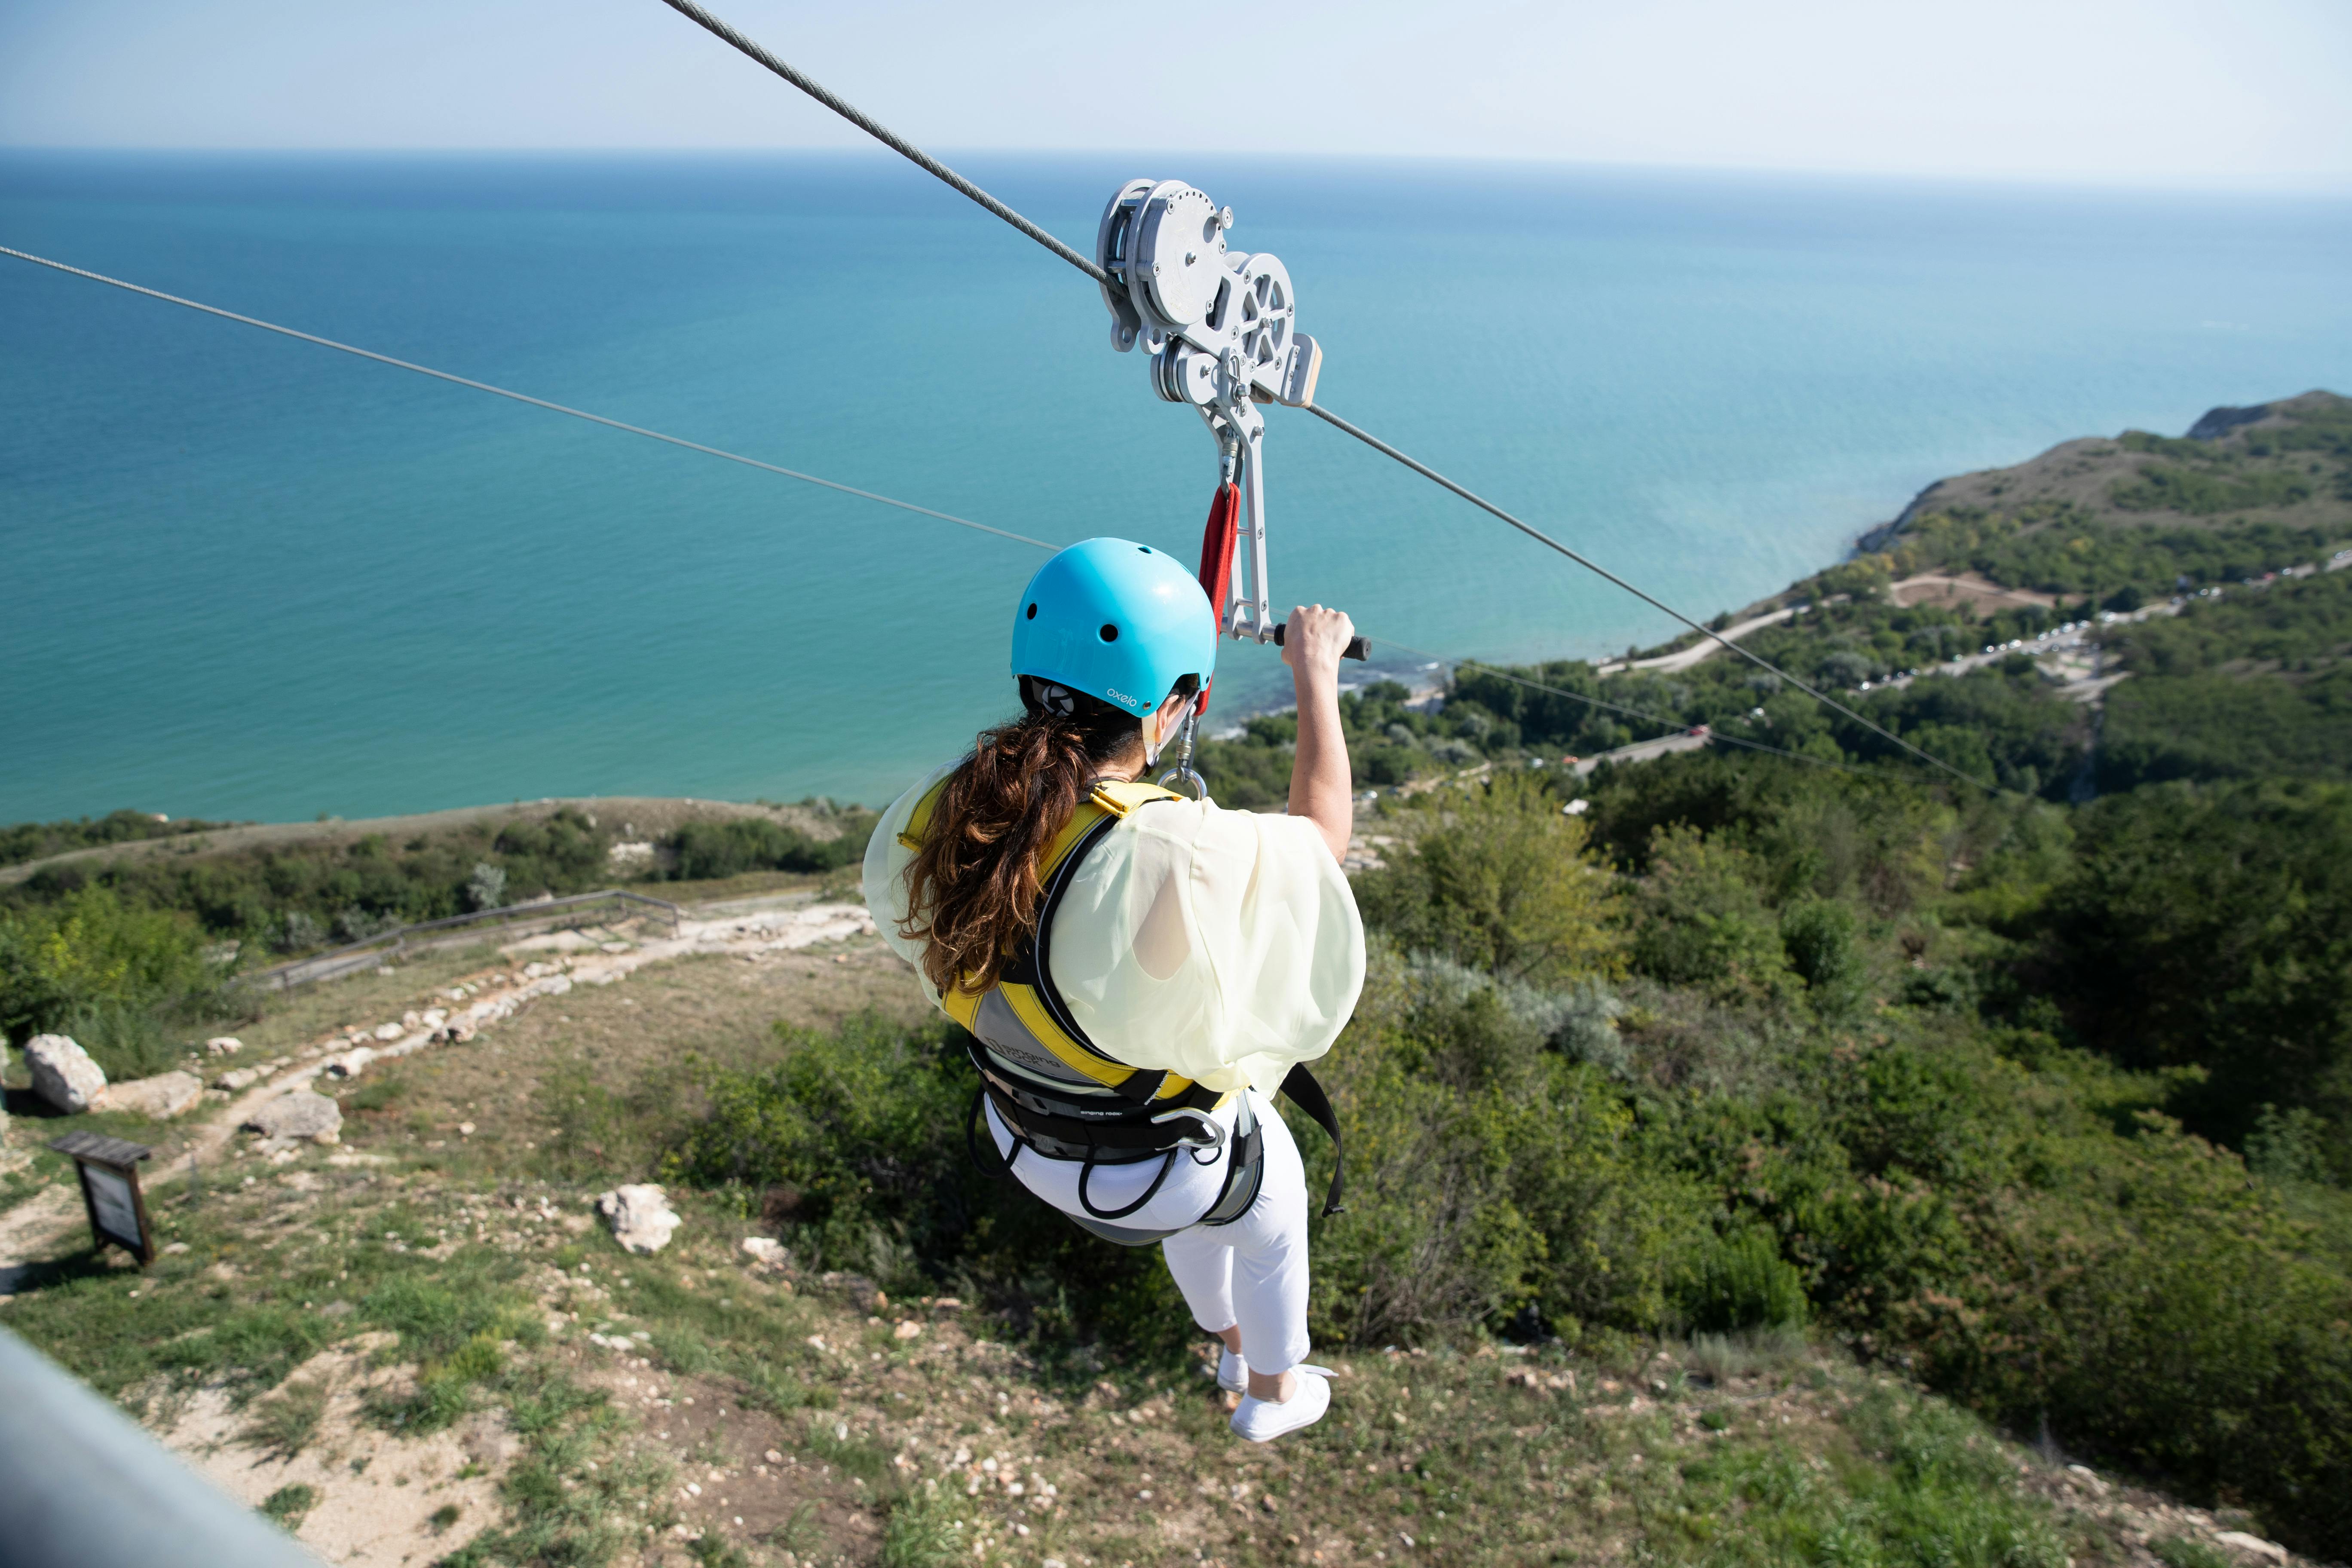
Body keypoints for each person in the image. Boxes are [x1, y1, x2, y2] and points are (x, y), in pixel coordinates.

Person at [863, 536, 1365, 1442]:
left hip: (1027, 1138)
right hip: (1147, 1167)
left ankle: (1223, 1341)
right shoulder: (1166, 847)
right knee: (1269, 1196)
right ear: (1172, 709)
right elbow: (1321, 841)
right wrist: (1315, 673)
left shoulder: (948, 809)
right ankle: (1274, 1395)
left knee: (1207, 1195)